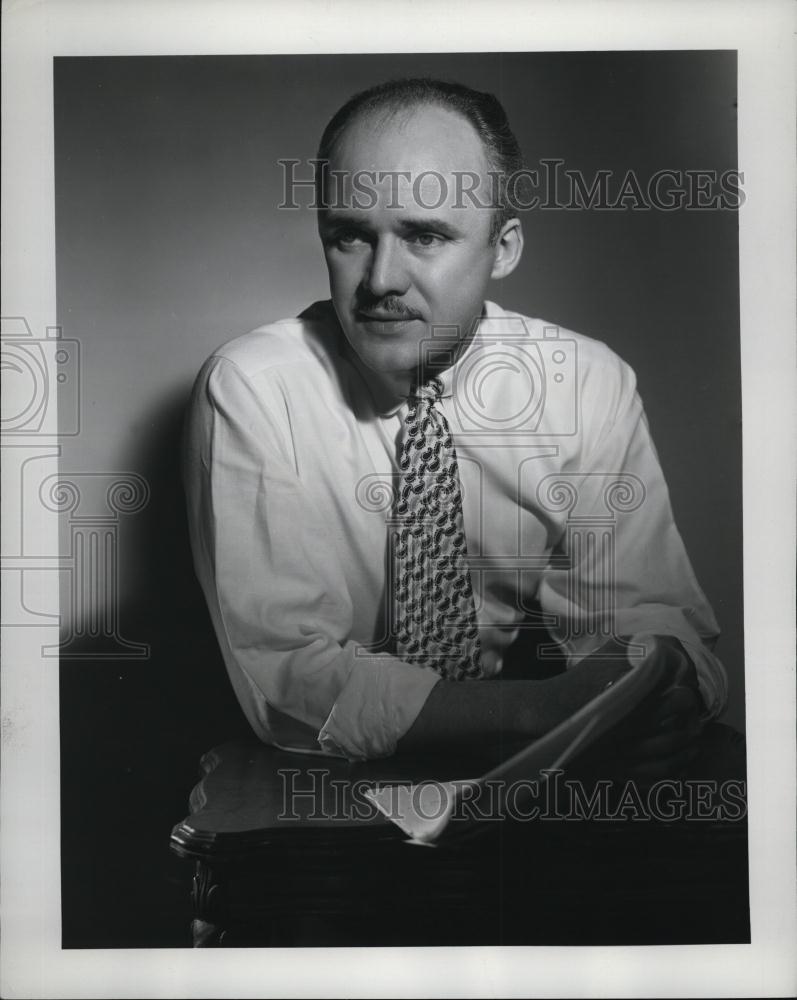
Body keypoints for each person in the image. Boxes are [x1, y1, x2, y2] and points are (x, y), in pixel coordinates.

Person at [182, 78, 732, 777]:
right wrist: (545, 711)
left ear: (502, 249)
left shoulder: (583, 381)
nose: (381, 279)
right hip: (314, 791)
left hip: (532, 789)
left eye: (424, 235)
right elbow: (288, 685)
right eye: (349, 235)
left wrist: (666, 686)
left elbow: (650, 625)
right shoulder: (254, 388)